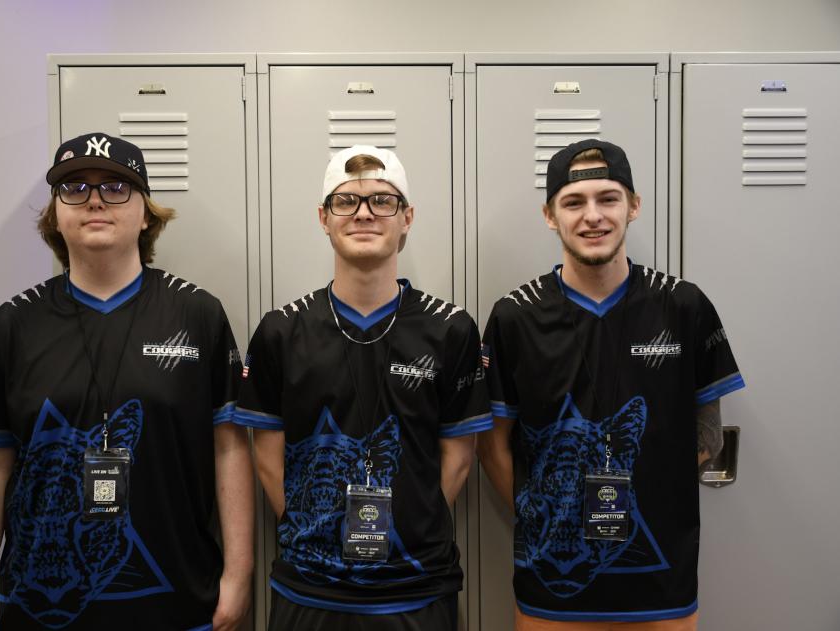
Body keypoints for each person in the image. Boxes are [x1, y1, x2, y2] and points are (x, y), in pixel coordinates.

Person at [0, 132, 253, 630]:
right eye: (74, 187)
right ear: (55, 214)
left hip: (178, 603)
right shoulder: (12, 324)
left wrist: (237, 578)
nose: (94, 199)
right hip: (37, 610)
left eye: (116, 187)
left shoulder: (198, 314)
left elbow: (229, 448)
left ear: (146, 213)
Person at [477, 139, 745, 630]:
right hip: (549, 587)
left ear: (634, 206)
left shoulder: (684, 307)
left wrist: (650, 496)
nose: (592, 216)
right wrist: (546, 516)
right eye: (574, 203)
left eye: (609, 198)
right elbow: (493, 447)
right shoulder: (515, 316)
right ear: (550, 215)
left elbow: (706, 435)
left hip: (661, 580)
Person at [235, 145, 492, 630]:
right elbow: (267, 458)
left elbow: (457, 459)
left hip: (416, 588)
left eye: (382, 201)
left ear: (407, 217)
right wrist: (316, 533)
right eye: (346, 201)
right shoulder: (281, 331)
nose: (364, 214)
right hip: (309, 588)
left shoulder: (451, 329)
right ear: (324, 218)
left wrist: (406, 530)